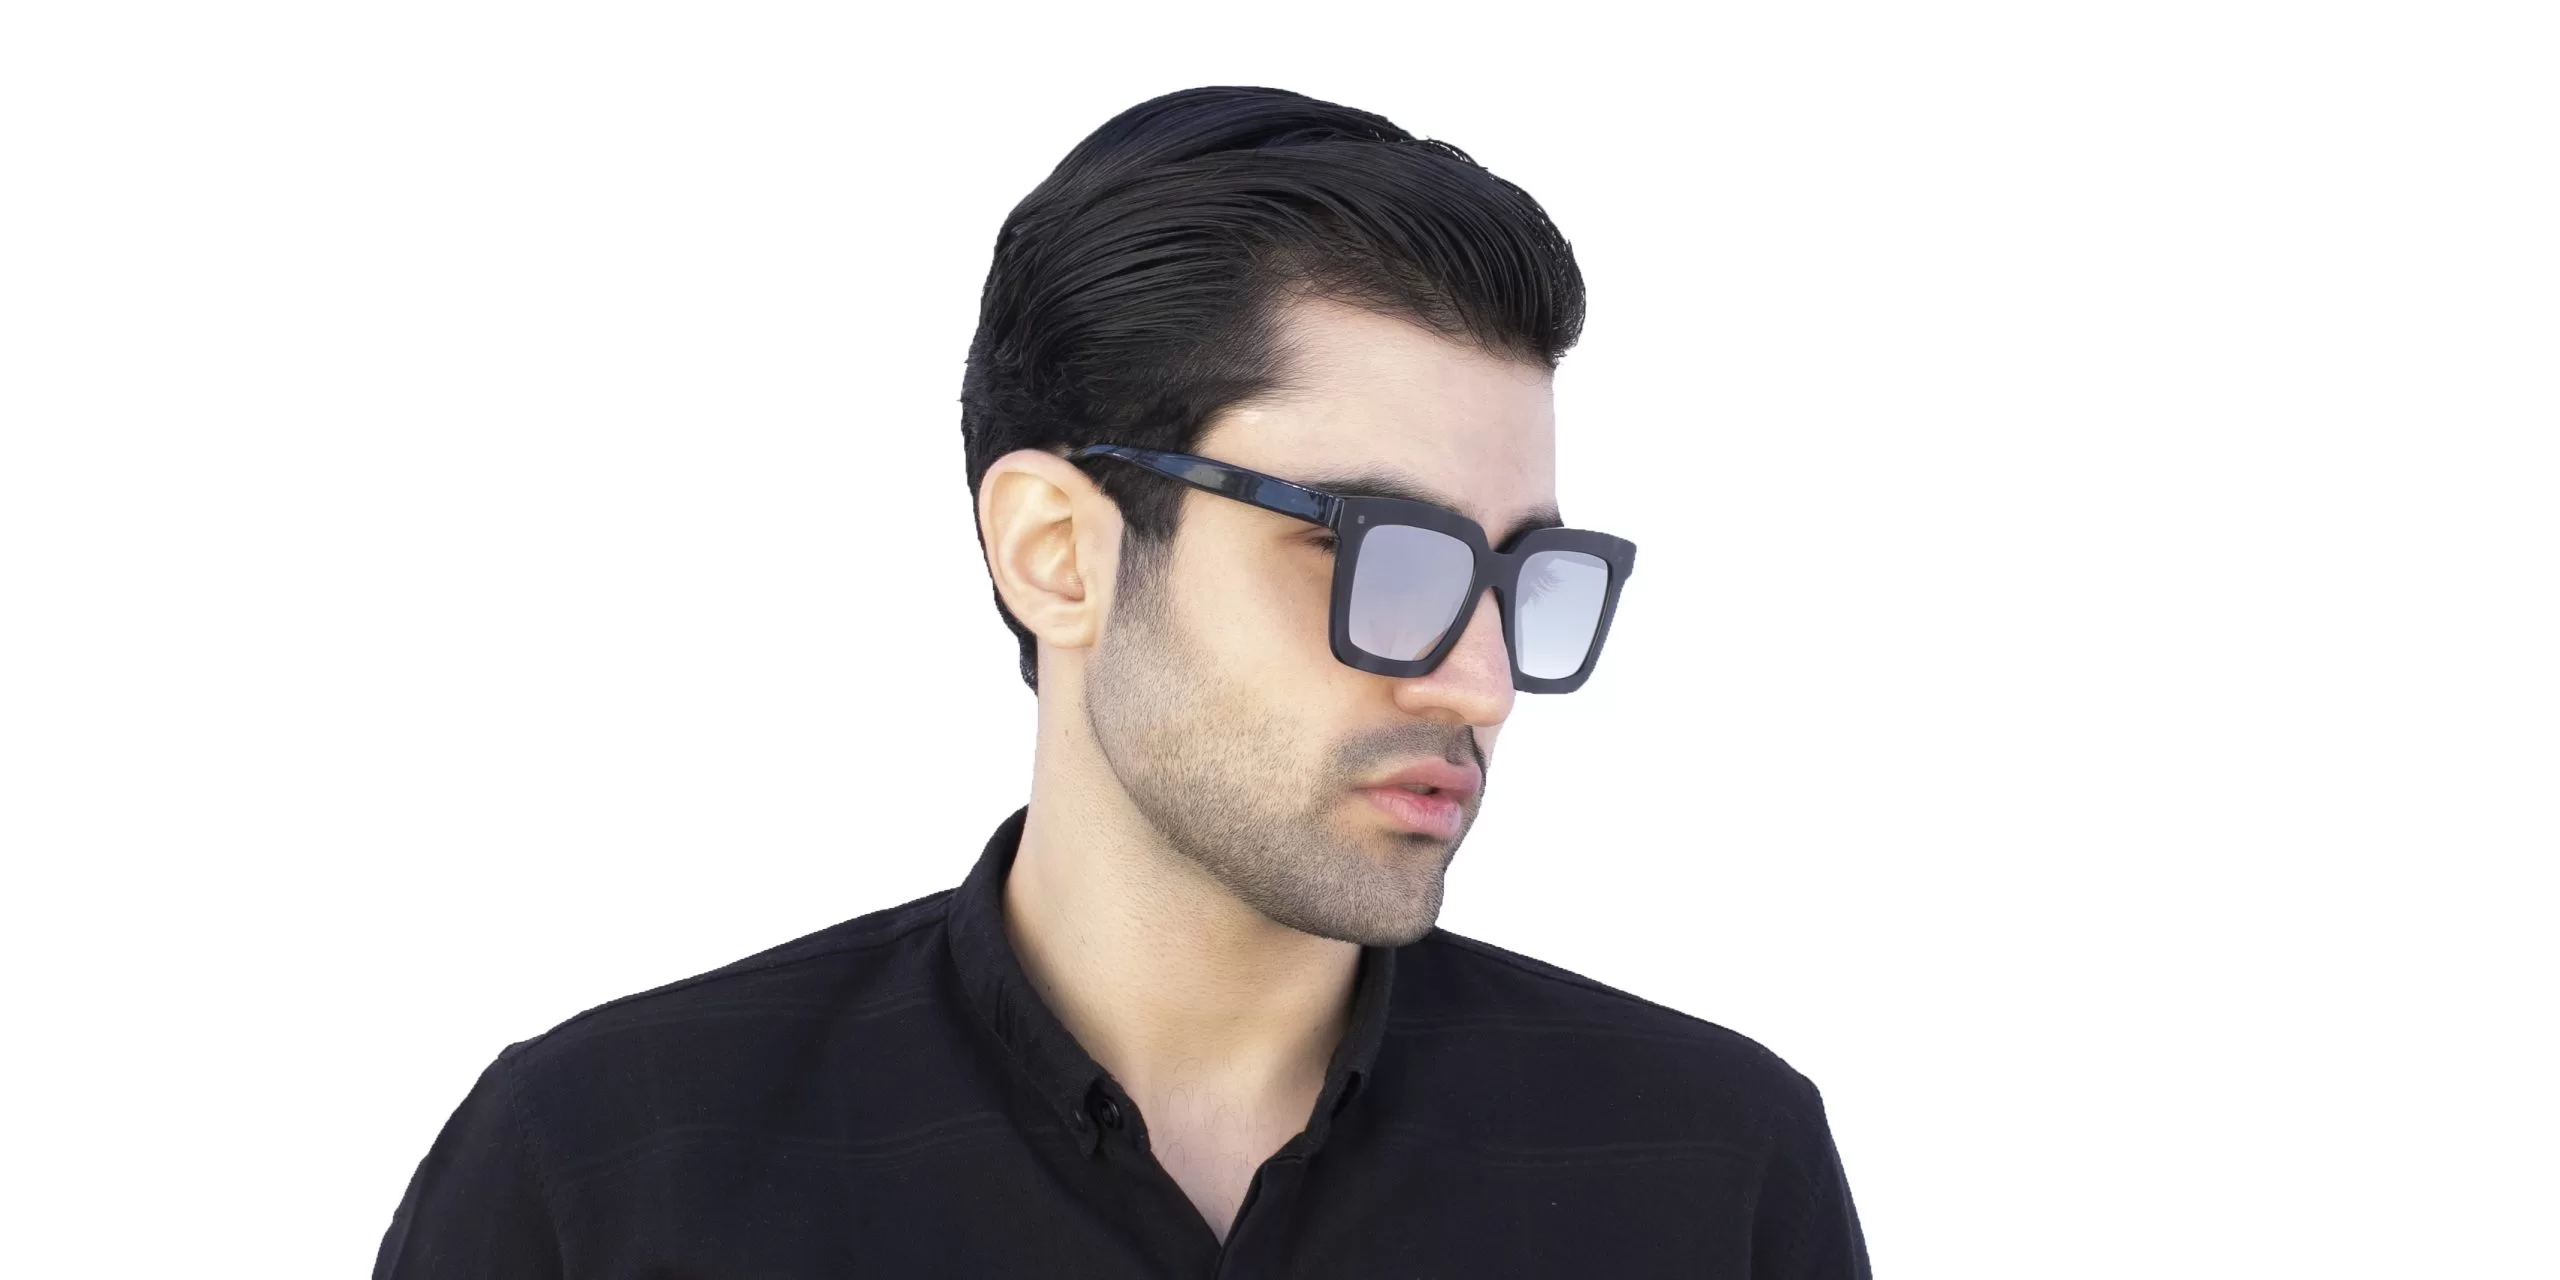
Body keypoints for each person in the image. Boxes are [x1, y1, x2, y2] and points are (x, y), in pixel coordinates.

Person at [375, 84, 1869, 1278]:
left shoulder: (1717, 1171)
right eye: (1376, 554)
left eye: (1516, 575)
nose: (1481, 684)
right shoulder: (602, 1176)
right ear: (1058, 553)